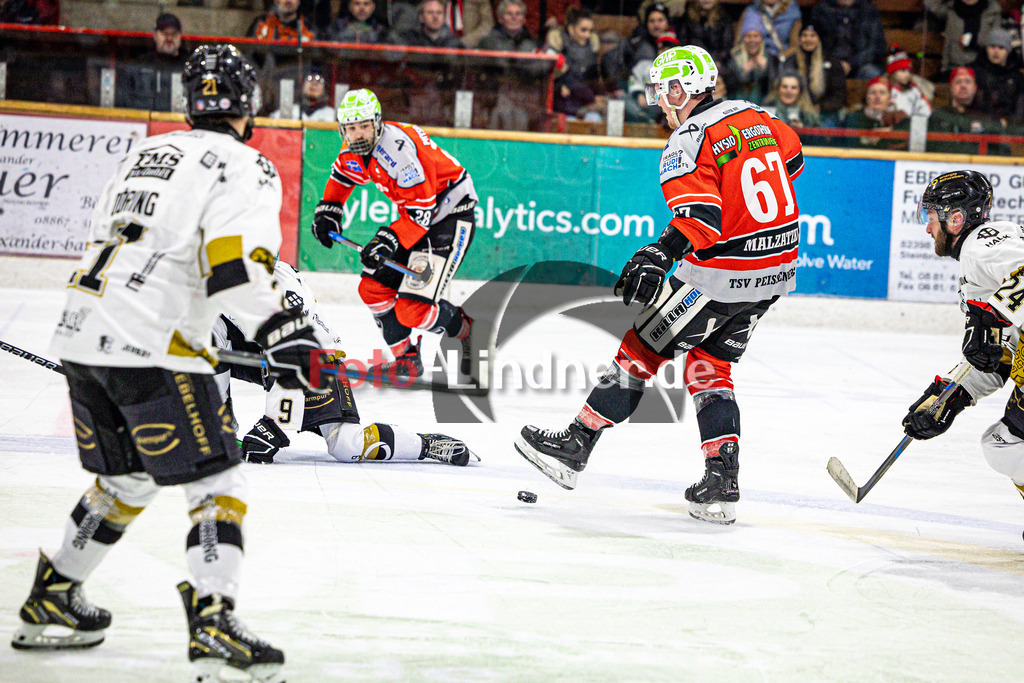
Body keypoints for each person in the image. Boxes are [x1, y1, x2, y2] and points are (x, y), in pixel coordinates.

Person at [9, 44, 324, 681]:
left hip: (81, 330)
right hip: (154, 343)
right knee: (218, 484)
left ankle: (52, 598)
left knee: (126, 481)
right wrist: (289, 335)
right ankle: (213, 622)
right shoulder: (246, 164)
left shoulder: (140, 155)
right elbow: (236, 268)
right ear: (249, 106)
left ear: (190, 104)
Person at [515, 45, 804, 525]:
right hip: (776, 272)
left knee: (642, 346)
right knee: (711, 365)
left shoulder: (688, 138)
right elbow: (791, 162)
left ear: (684, 88)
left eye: (665, 89)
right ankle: (721, 480)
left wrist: (660, 252)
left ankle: (575, 446)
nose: (660, 100)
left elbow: (703, 219)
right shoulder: (761, 116)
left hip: (721, 275)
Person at [310, 89, 491, 388]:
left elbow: (421, 215)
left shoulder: (398, 152)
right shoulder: (354, 147)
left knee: (413, 311)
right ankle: (406, 359)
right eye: (351, 127)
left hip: (450, 217)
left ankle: (469, 331)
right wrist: (330, 208)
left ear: (377, 122)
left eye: (364, 126)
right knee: (372, 288)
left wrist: (388, 239)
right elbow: (343, 175)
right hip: (419, 219)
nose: (357, 134)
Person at [217, 260, 474, 466]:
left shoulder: (279, 293)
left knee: (345, 444)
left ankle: (426, 445)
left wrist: (275, 424)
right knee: (204, 332)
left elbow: (297, 355)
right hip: (265, 355)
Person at [901, 170, 1024, 524]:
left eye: (932, 218)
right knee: (1004, 443)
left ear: (956, 219)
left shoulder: (980, 245)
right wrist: (953, 394)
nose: (928, 228)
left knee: (1006, 447)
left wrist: (992, 317)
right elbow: (996, 354)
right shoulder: (982, 266)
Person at [929, 66, 1011, 155]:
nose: (963, 86)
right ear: (951, 87)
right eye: (958, 82)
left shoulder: (988, 118)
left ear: (975, 88)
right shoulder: (937, 116)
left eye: (967, 82)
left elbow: (1003, 152)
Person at [115, 13, 186, 112]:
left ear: (180, 36)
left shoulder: (188, 68)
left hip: (179, 124)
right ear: (155, 35)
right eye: (165, 33)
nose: (169, 38)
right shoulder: (139, 65)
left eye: (174, 34)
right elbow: (121, 100)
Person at [809, 0, 887, 80]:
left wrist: (851, 63)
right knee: (817, 72)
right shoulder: (822, 10)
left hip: (861, 65)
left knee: (871, 73)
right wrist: (836, 63)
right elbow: (817, 42)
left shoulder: (869, 11)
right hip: (829, 62)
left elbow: (875, 47)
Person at [924, 0, 1003, 75]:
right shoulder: (950, 7)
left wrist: (974, 40)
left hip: (983, 69)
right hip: (953, 67)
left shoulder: (992, 9)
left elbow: (996, 40)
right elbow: (930, 3)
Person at [792, 22, 846, 126]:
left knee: (825, 129)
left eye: (812, 35)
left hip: (825, 112)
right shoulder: (792, 61)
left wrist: (821, 107)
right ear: (799, 39)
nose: (808, 39)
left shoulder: (832, 62)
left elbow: (839, 95)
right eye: (804, 35)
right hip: (798, 110)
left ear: (819, 39)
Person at [841, 75, 909, 150]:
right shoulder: (854, 117)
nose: (877, 97)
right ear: (866, 97)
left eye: (882, 93)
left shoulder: (898, 117)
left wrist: (889, 132)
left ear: (889, 98)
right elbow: (851, 146)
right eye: (873, 93)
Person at [973, 27, 1024, 125]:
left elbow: (1020, 108)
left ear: (1008, 52)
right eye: (992, 46)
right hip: (981, 124)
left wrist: (1011, 122)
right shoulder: (976, 72)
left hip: (1010, 127)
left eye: (1001, 48)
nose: (996, 51)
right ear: (986, 48)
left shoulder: (1017, 77)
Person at [737, 0, 802, 63]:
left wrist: (779, 59)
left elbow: (794, 46)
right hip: (754, 60)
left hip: (782, 60)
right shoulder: (750, 12)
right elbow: (738, 43)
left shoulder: (793, 13)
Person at [724, 28, 776, 105]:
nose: (752, 40)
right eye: (748, 36)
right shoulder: (734, 57)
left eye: (756, 36)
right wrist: (743, 73)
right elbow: (729, 87)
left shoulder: (770, 58)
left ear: (761, 39)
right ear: (743, 39)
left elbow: (773, 87)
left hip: (764, 105)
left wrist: (764, 70)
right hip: (737, 104)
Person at [676, 0, 733, 68]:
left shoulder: (724, 18)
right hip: (692, 60)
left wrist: (717, 62)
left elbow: (726, 45)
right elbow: (683, 41)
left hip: (717, 61)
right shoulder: (687, 18)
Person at [886, 46, 934, 119]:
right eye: (903, 71)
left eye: (909, 71)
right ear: (893, 73)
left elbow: (926, 110)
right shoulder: (884, 90)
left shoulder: (915, 90)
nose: (907, 74)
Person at [269, 73, 336, 121]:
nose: (314, 84)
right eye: (310, 79)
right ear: (302, 86)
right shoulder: (291, 111)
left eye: (320, 81)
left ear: (324, 90)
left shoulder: (331, 115)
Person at [250, 0, 315, 41]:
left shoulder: (309, 29)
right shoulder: (260, 24)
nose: (288, 0)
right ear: (275, 1)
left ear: (299, 1)